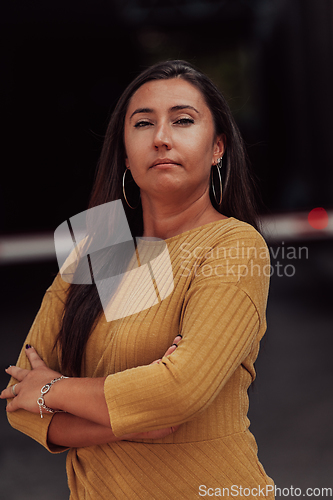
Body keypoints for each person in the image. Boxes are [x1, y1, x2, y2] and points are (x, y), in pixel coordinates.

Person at [1, 60, 275, 499]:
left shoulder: (233, 245)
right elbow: (19, 400)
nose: (162, 138)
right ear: (126, 155)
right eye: (143, 123)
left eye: (183, 120)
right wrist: (129, 416)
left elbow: (178, 391)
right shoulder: (99, 251)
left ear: (218, 147)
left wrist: (54, 389)